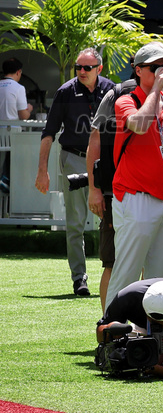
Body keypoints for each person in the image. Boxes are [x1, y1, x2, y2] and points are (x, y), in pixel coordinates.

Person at [85, 59, 163, 313]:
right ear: (139, 70)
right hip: (135, 196)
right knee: (125, 273)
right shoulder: (125, 99)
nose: (161, 70)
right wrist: (156, 89)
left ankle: (154, 342)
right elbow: (139, 125)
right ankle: (112, 333)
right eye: (155, 66)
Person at [35, 48, 115, 298]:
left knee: (111, 219)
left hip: (106, 162)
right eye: (78, 67)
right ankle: (79, 278)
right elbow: (49, 133)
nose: (81, 71)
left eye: (87, 68)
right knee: (76, 222)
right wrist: (42, 171)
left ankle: (113, 273)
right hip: (73, 159)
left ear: (99, 69)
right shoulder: (65, 92)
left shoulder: (112, 90)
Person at [0, 56, 32, 192]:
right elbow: (23, 115)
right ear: (19, 72)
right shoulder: (18, 88)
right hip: (12, 136)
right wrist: (29, 109)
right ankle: (9, 190)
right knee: (14, 167)